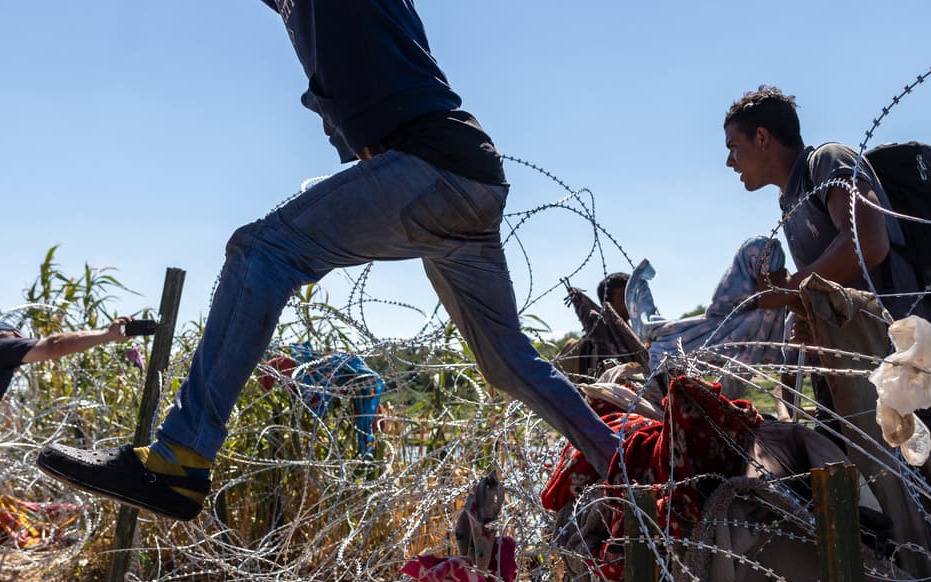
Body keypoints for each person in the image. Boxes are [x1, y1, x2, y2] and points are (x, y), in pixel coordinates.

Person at [37, 0, 620, 522]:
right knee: (509, 364)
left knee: (261, 250)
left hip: (430, 165)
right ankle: (624, 466)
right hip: (468, 178)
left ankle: (180, 457)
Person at [722, 85, 927, 324]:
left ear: (761, 137)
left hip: (907, 342)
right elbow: (831, 286)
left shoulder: (827, 160)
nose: (729, 162)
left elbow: (867, 243)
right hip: (864, 347)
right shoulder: (789, 200)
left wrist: (787, 287)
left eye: (733, 147)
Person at [0, 318, 135, 463]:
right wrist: (107, 335)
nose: (18, 366)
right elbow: (54, 345)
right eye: (19, 339)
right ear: (0, 334)